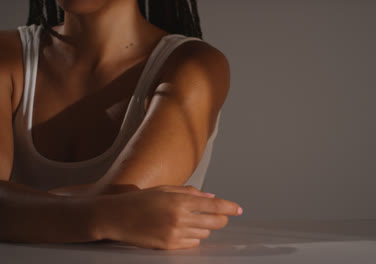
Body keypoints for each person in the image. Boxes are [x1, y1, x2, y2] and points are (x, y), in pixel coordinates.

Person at [0, 0, 242, 250]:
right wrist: (109, 216)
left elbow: (124, 201)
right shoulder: (5, 54)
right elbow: (121, 210)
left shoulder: (194, 65)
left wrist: (14, 210)